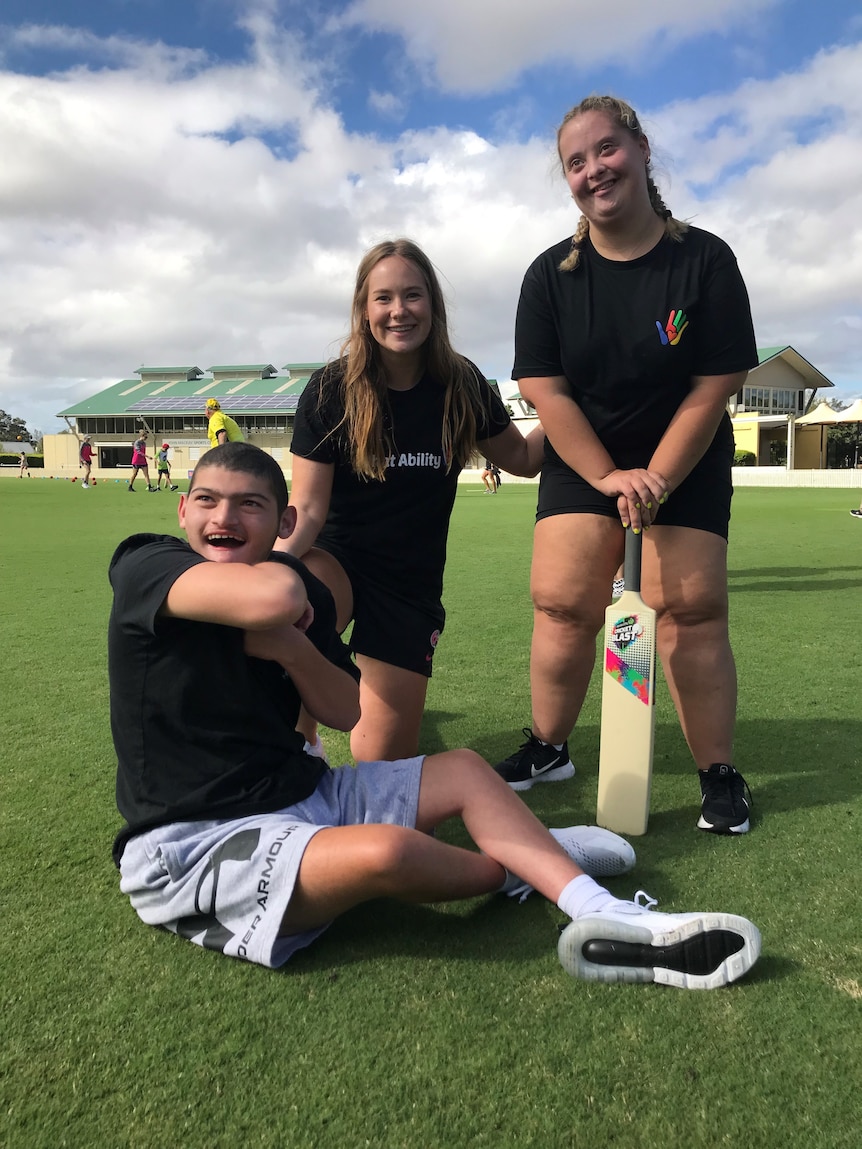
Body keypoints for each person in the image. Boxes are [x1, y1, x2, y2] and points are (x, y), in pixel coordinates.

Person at [108, 441, 761, 988]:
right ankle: (518, 863)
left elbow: (342, 706)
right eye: (208, 500)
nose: (226, 516)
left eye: (250, 505)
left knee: (467, 771)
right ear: (182, 510)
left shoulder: (296, 589)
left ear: (284, 524)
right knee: (388, 852)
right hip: (196, 843)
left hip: (306, 796)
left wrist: (287, 644)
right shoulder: (149, 563)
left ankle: (608, 914)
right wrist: (283, 612)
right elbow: (272, 591)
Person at [493, 96, 758, 836]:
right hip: (586, 459)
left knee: (691, 612)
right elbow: (542, 388)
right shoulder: (551, 275)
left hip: (686, 456)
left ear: (641, 149)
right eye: (575, 162)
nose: (592, 170)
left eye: (605, 150)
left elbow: (714, 385)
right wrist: (609, 475)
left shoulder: (704, 259)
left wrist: (660, 476)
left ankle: (719, 773)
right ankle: (549, 749)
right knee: (562, 603)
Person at [278, 238, 546, 762]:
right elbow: (306, 511)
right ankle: (300, 728)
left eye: (412, 295)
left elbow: (522, 457)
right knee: (297, 606)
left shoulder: (461, 383)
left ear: (433, 306)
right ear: (363, 310)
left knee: (381, 768)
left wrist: (568, 405)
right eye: (383, 298)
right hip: (338, 560)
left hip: (409, 586)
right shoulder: (331, 390)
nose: (399, 311)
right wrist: (267, 572)